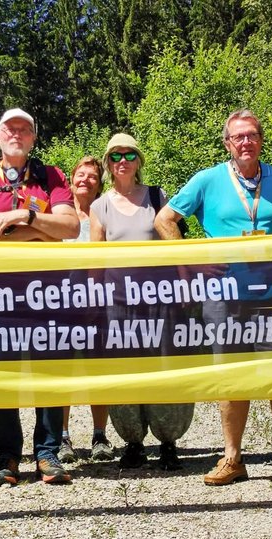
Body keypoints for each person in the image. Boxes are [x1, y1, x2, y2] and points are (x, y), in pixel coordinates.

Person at [154, 109, 272, 488]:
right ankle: (232, 458)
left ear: (261, 140)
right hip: (222, 294)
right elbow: (165, 219)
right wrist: (190, 261)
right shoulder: (207, 179)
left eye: (252, 135)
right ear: (227, 143)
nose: (246, 142)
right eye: (238, 137)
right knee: (231, 374)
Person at [0, 108, 80, 486]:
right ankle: (8, 456)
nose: (16, 134)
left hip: (48, 293)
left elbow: (71, 227)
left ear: (33, 138)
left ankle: (47, 453)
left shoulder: (52, 176)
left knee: (50, 373)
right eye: (9, 129)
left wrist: (24, 219)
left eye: (24, 129)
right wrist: (43, 231)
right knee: (3, 378)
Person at [91, 135, 193, 471]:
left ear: (139, 161)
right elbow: (95, 262)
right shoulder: (99, 206)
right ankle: (132, 442)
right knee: (125, 371)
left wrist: (185, 286)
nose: (123, 161)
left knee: (165, 369)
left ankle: (168, 441)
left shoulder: (157, 196)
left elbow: (175, 242)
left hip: (159, 301)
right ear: (108, 163)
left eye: (129, 155)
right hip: (118, 304)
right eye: (115, 156)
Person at [59, 156, 115, 463]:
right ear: (71, 179)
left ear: (100, 184)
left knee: (98, 371)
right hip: (61, 303)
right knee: (63, 373)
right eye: (81, 175)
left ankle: (99, 435)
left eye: (92, 176)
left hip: (99, 303)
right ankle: (62, 437)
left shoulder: (105, 213)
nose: (85, 180)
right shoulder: (58, 212)